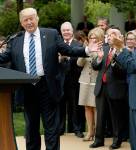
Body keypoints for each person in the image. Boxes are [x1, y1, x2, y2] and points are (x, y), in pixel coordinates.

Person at [0, 8, 100, 150]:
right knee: (31, 128)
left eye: (31, 18)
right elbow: (4, 57)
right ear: (21, 23)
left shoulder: (51, 34)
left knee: (51, 128)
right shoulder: (16, 39)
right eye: (25, 20)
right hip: (27, 88)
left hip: (47, 87)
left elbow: (68, 50)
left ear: (37, 18)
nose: (29, 22)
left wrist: (87, 50)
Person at [111, 15, 136, 150]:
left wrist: (122, 47)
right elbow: (130, 64)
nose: (135, 29)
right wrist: (121, 50)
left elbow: (134, 67)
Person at [90, 28, 129, 149]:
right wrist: (100, 58)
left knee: (116, 117)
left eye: (113, 35)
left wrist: (114, 60)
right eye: (108, 35)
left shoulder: (123, 51)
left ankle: (117, 140)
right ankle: (99, 140)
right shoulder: (104, 49)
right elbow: (95, 67)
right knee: (100, 115)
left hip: (116, 88)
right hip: (101, 87)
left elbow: (123, 70)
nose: (110, 37)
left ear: (119, 37)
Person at [77, 27, 105, 141]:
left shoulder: (103, 49)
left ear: (100, 39)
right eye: (91, 37)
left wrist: (94, 53)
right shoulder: (86, 48)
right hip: (84, 80)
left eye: (95, 37)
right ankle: (90, 131)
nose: (92, 39)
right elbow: (79, 63)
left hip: (96, 81)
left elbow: (100, 64)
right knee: (87, 107)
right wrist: (86, 51)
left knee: (96, 108)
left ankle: (98, 133)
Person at [59, 21, 85, 138]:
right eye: (64, 30)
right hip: (59, 81)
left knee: (75, 107)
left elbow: (82, 63)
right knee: (60, 106)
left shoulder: (79, 45)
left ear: (72, 31)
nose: (66, 32)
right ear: (61, 32)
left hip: (75, 81)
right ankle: (59, 129)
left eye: (68, 30)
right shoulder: (57, 44)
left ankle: (77, 129)